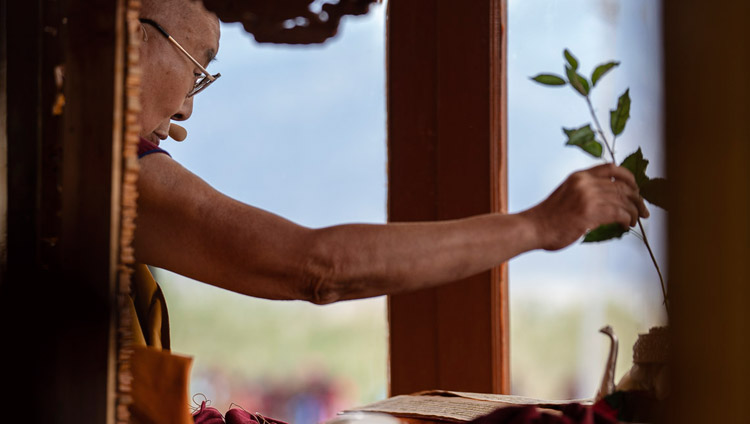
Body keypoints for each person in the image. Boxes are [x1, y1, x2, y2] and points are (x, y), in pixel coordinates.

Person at [129, 0, 648, 421]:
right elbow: (317, 268)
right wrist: (538, 225)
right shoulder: (103, 167)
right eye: (198, 65)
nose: (186, 108)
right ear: (130, 34)